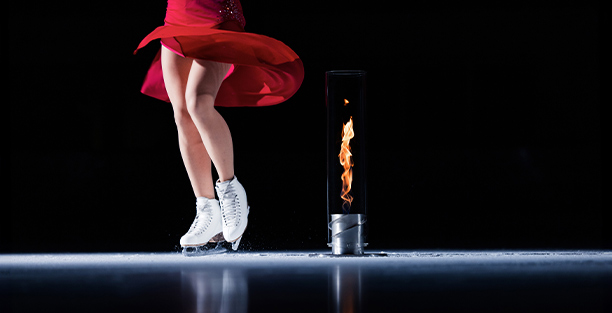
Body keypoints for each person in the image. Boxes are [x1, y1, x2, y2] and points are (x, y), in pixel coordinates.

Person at [134, 0, 304, 254]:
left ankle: (231, 190)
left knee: (198, 103)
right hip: (178, 21)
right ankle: (207, 212)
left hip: (218, 22)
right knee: (182, 114)